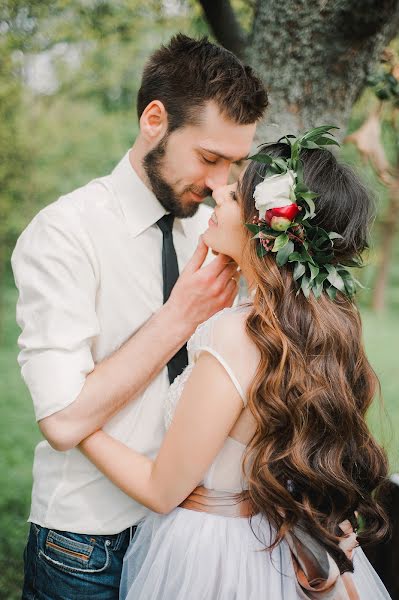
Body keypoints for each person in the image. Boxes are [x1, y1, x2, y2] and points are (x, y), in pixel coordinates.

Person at [79, 128, 392, 599]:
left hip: (213, 555)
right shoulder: (306, 329)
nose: (218, 190)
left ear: (266, 228)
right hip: (267, 543)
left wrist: (77, 422)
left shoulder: (239, 334)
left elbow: (162, 489)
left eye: (237, 191)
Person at [12, 34, 268, 599]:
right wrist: (181, 316)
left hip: (195, 537)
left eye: (234, 163)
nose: (221, 183)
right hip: (87, 545)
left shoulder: (217, 225)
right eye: (209, 157)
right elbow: (61, 419)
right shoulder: (64, 234)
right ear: (155, 119)